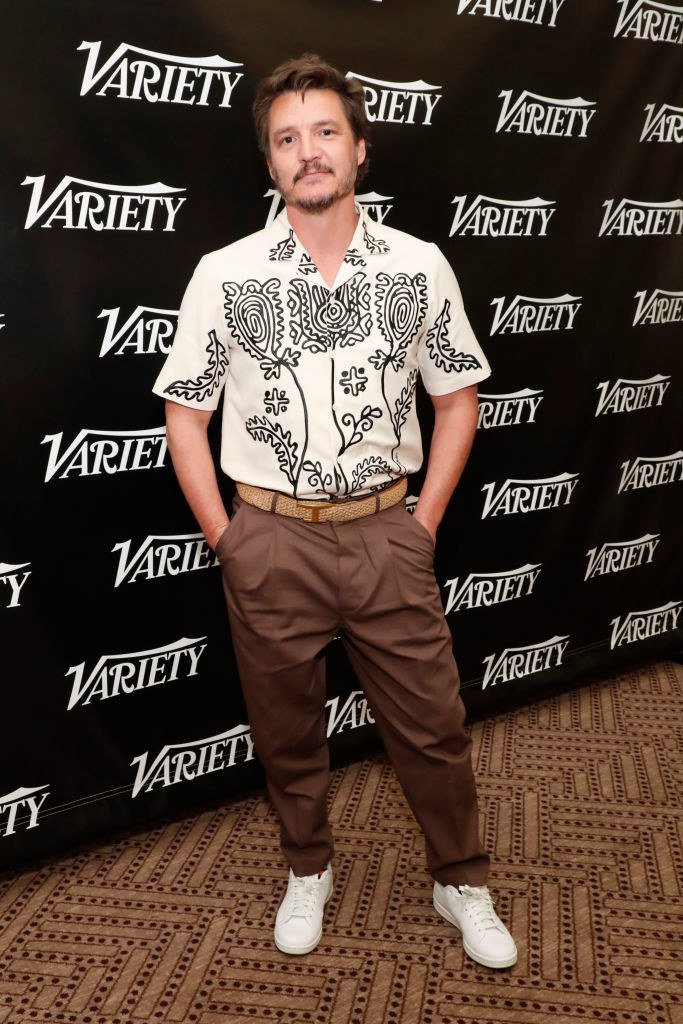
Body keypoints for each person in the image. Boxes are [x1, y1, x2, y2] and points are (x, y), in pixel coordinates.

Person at [153, 53, 517, 969]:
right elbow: (185, 417)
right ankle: (306, 865)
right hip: (268, 537)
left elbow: (457, 398)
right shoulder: (224, 274)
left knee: (432, 725)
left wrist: (422, 523)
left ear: (358, 148)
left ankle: (459, 878)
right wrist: (229, 542)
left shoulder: (418, 265)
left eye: (324, 133)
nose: (307, 152)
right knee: (284, 726)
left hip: (386, 531)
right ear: (270, 165)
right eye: (287, 139)